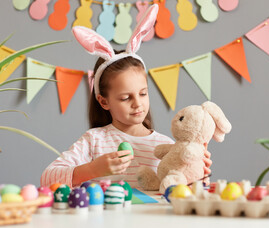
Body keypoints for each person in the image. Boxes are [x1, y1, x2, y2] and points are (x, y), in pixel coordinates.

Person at [40, 5, 211, 188]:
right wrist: (93, 169)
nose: (138, 104)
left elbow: (184, 191)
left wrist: (198, 175)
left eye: (143, 93)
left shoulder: (165, 146)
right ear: (104, 101)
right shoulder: (94, 140)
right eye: (125, 98)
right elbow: (47, 178)